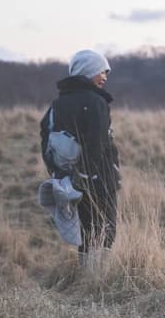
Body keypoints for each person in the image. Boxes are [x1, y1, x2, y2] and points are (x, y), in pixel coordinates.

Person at [41, 49, 121, 266]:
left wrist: (57, 171)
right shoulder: (97, 102)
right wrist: (91, 175)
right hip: (100, 179)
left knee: (86, 229)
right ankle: (99, 279)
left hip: (69, 179)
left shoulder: (57, 104)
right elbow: (98, 143)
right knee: (106, 228)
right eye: (101, 71)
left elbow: (45, 136)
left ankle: (85, 274)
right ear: (88, 72)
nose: (105, 76)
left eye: (107, 72)